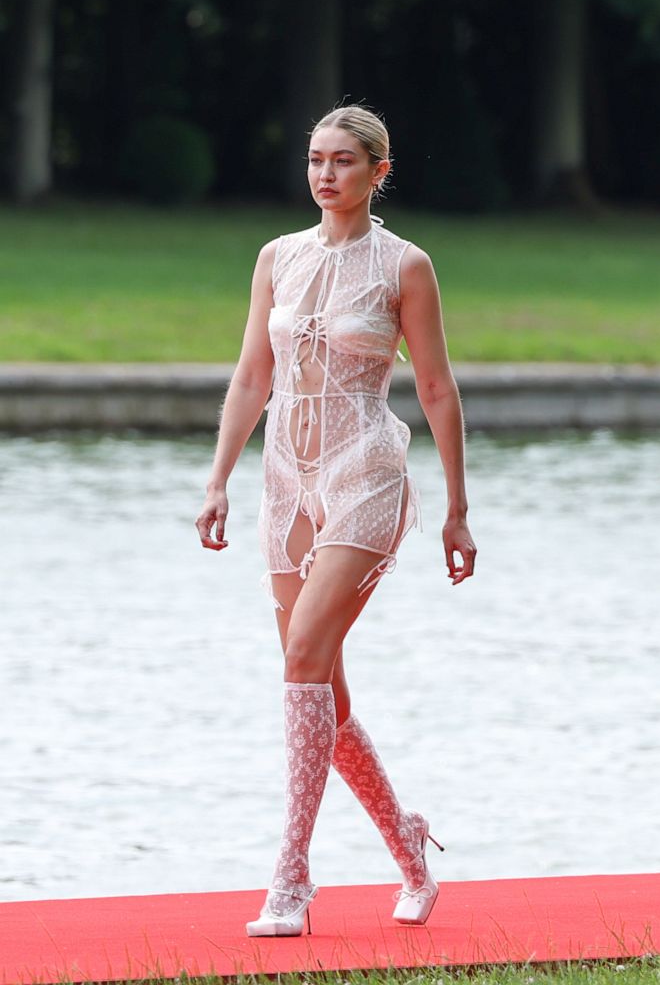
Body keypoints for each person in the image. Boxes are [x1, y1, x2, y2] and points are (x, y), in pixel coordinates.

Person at [195, 105, 476, 937]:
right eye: (316, 160)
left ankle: (290, 876)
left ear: (377, 171)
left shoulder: (406, 266)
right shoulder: (275, 258)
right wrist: (217, 481)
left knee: (305, 657)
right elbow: (252, 376)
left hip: (365, 470)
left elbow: (434, 388)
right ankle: (408, 843)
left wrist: (456, 511)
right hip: (286, 478)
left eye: (344, 161)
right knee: (318, 681)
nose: (325, 174)